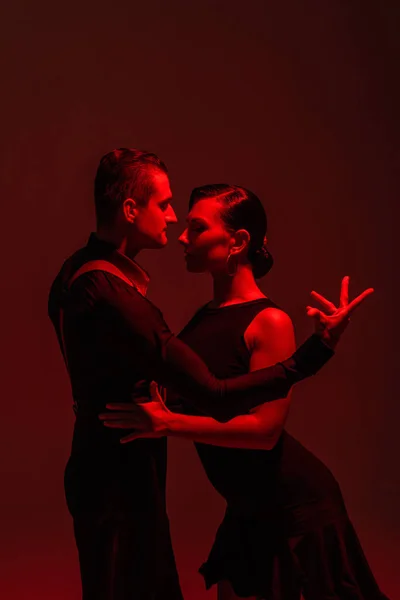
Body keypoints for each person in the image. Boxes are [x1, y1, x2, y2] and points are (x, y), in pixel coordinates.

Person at [101, 184, 384, 600]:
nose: (182, 235)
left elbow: (264, 431)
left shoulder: (270, 321)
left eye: (196, 227)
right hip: (246, 509)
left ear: (237, 241)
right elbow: (194, 392)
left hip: (297, 508)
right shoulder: (204, 317)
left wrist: (166, 424)